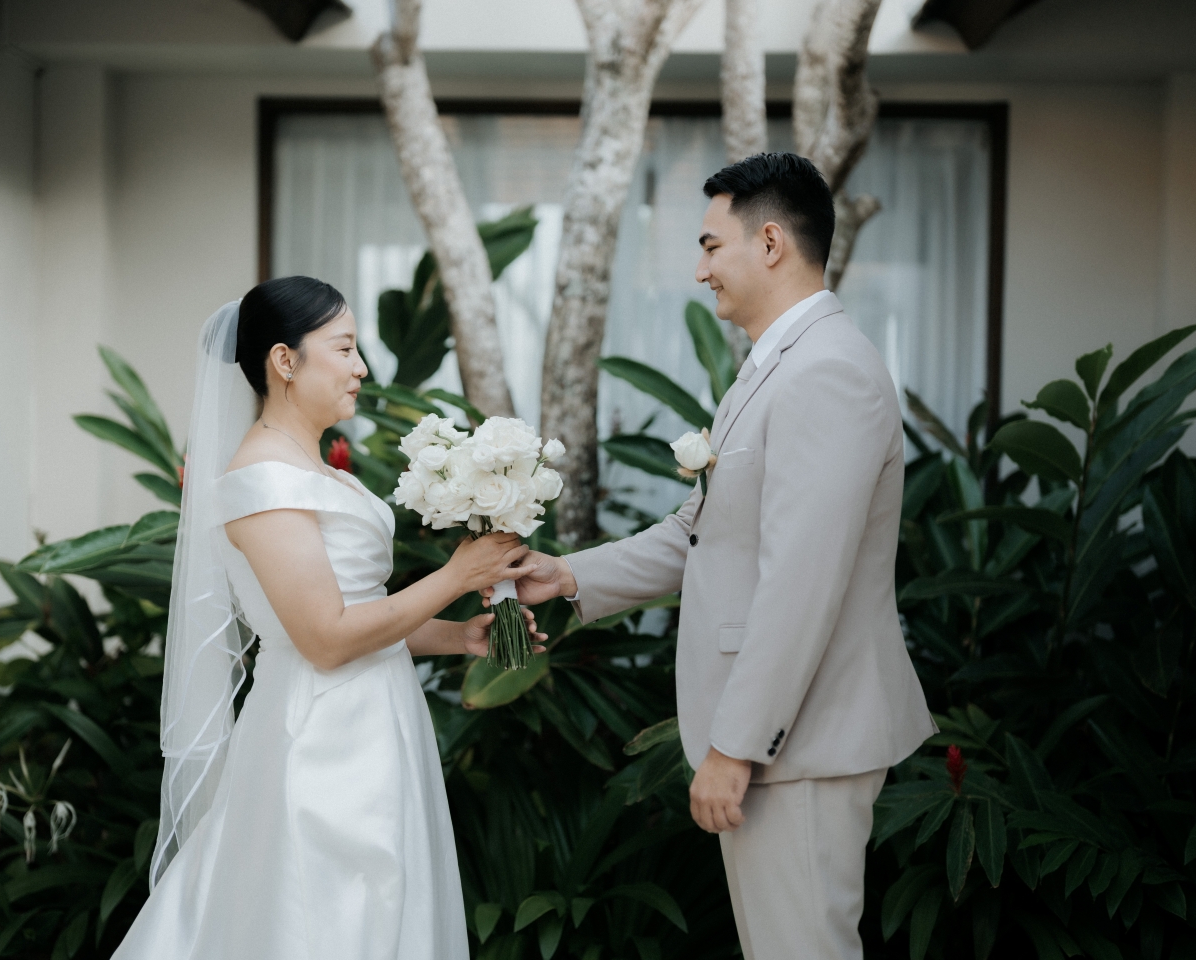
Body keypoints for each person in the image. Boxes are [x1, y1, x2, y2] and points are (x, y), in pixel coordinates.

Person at [505, 154, 936, 959]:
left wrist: (735, 747)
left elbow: (801, 582)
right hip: (786, 741)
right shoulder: (775, 367)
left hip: (797, 743)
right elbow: (701, 531)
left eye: (709, 246)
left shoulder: (825, 373)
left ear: (770, 242)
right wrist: (568, 575)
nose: (699, 271)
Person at [114, 277, 544, 959]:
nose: (361, 368)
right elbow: (324, 639)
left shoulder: (320, 472)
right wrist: (456, 577)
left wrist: (460, 635)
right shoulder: (261, 480)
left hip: (378, 721)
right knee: (328, 921)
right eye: (344, 349)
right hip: (322, 738)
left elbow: (362, 613)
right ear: (285, 361)